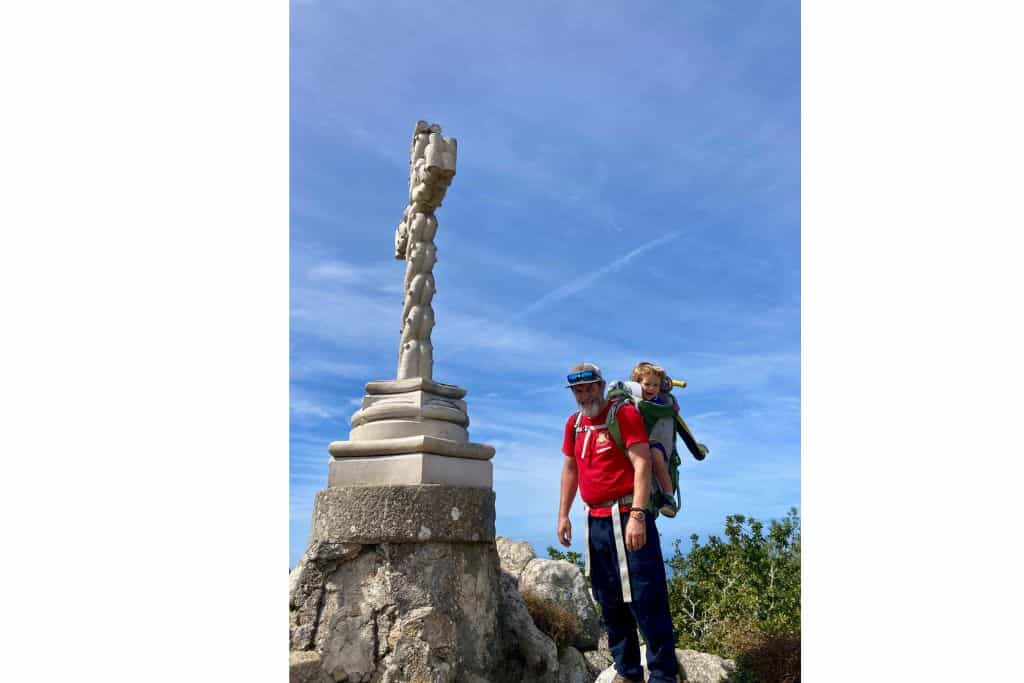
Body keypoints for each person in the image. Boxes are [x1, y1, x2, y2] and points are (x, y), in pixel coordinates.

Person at [558, 363, 679, 683]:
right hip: (595, 520)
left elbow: (642, 465)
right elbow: (570, 469)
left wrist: (639, 515)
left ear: (600, 386)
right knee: (608, 599)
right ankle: (627, 670)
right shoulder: (574, 424)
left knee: (647, 596)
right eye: (578, 390)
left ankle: (664, 675)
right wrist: (562, 514)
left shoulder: (623, 414)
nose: (584, 395)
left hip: (629, 515)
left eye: (589, 387)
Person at [630, 362, 680, 518]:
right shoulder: (630, 401)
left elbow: (668, 405)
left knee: (655, 455)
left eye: (655, 385)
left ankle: (668, 496)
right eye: (647, 384)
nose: (651, 388)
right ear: (637, 384)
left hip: (653, 442)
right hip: (635, 443)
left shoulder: (661, 402)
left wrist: (671, 403)